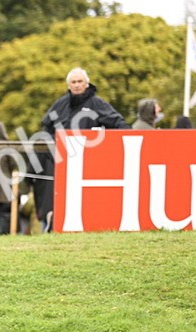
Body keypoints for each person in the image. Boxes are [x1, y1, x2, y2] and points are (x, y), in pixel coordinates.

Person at [33, 67, 129, 230]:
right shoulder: (60, 104)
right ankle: (51, 225)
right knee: (57, 199)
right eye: (74, 82)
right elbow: (46, 129)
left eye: (80, 82)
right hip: (60, 162)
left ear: (87, 83)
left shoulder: (97, 104)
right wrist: (53, 151)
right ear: (69, 85)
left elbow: (119, 123)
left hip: (88, 164)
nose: (77, 85)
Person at [0, 120, 28, 235]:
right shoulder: (8, 147)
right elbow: (15, 166)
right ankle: (0, 235)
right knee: (1, 215)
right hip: (4, 189)